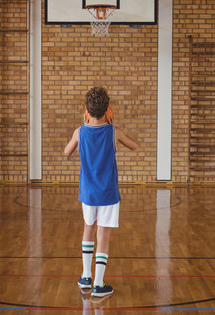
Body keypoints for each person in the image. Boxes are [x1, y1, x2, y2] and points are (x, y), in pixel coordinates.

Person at [64, 86, 137, 297]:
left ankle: (86, 277)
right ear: (108, 110)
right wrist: (113, 126)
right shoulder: (114, 132)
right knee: (103, 235)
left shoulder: (79, 132)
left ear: (86, 109)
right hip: (107, 193)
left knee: (89, 229)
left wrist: (82, 126)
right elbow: (134, 146)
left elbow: (66, 151)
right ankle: (98, 283)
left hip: (88, 193)